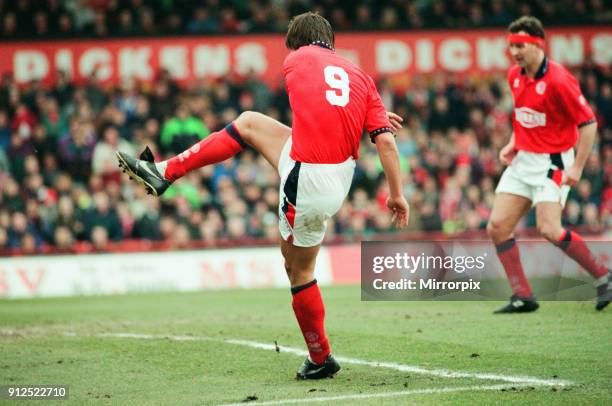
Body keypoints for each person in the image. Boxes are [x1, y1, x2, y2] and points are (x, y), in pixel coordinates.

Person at [116, 12, 409, 378]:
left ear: (298, 41)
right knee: (250, 123)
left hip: (308, 177)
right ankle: (163, 171)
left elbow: (312, 102)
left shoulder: (297, 58)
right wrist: (397, 194)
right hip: (335, 175)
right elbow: (385, 142)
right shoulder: (361, 78)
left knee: (297, 268)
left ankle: (321, 359)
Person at [488, 16, 610, 313]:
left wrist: (577, 167)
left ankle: (604, 277)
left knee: (549, 229)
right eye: (511, 46)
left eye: (520, 46)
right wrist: (513, 142)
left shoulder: (559, 79)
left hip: (552, 162)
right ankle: (523, 295)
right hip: (523, 159)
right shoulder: (514, 75)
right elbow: (523, 113)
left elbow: (588, 123)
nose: (515, 52)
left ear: (537, 44)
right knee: (497, 227)